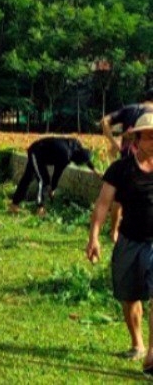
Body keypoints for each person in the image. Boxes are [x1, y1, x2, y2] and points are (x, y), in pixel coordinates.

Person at [86, 113, 153, 372]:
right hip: (129, 241)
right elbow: (103, 204)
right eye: (148, 136)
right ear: (136, 140)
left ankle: (152, 355)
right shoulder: (121, 169)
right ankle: (138, 344)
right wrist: (94, 237)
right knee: (129, 296)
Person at [101, 91, 153, 242]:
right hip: (146, 159)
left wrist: (114, 143)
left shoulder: (129, 109)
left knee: (119, 197)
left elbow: (104, 121)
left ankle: (114, 232)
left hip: (127, 156)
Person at [9, 137, 94, 216]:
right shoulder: (65, 156)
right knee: (43, 181)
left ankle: (14, 205)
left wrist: (94, 169)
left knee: (27, 178)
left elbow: (85, 157)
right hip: (36, 152)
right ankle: (40, 208)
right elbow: (57, 173)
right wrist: (52, 189)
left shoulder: (76, 145)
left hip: (40, 154)